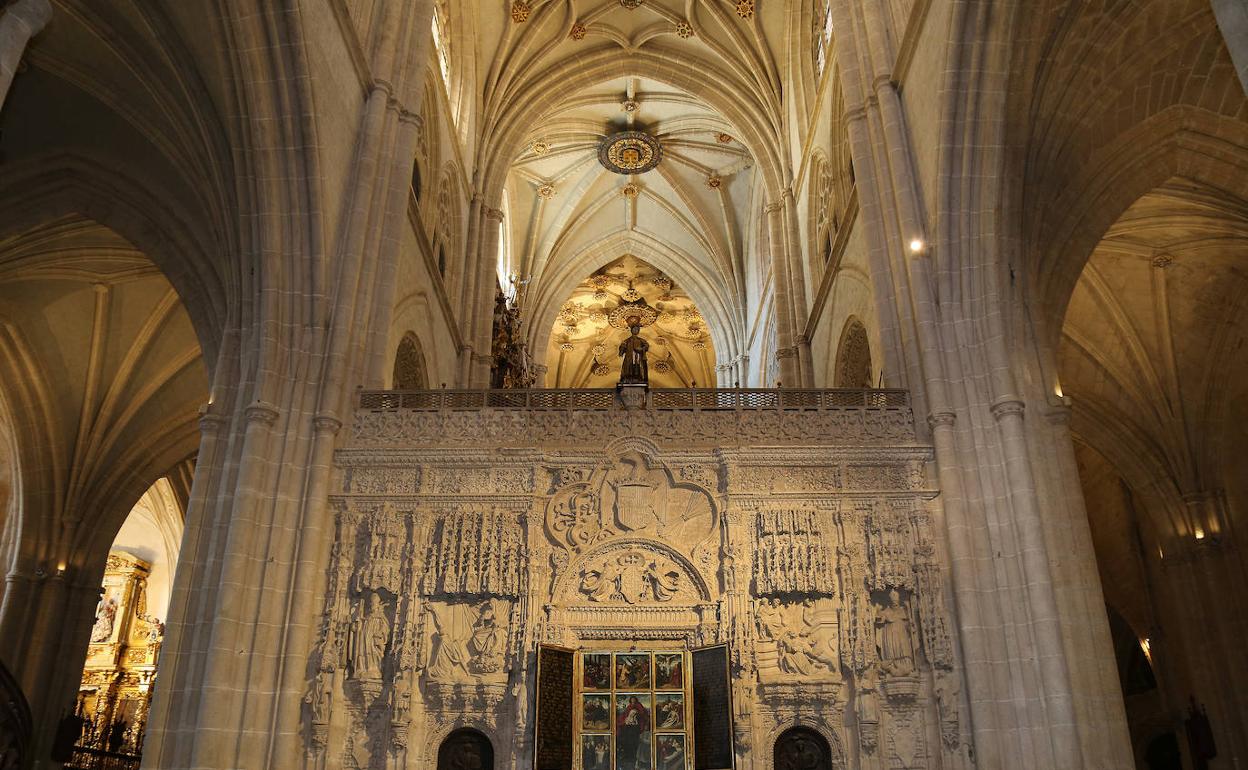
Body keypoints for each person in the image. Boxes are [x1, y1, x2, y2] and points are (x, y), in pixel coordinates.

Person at [616, 695, 650, 769]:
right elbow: (625, 714)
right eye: (631, 700)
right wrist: (626, 721)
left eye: (634, 700)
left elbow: (642, 713)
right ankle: (628, 756)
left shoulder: (638, 706)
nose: (633, 701)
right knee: (627, 742)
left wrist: (635, 717)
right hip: (628, 730)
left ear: (636, 700)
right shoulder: (629, 707)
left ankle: (633, 757)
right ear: (630, 700)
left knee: (634, 743)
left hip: (635, 729)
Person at [618, 319, 649, 385]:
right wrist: (622, 349)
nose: (635, 330)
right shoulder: (627, 340)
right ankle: (627, 378)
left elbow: (646, 346)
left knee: (638, 367)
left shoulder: (641, 340)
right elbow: (622, 348)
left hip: (638, 356)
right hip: (629, 357)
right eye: (634, 329)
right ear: (631, 330)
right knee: (628, 367)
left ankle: (639, 378)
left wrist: (641, 349)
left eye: (637, 330)